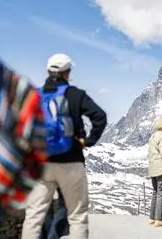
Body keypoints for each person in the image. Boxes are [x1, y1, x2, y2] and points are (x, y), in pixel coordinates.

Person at [21, 54, 107, 239]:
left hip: (41, 163)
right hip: (71, 161)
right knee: (77, 216)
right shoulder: (75, 94)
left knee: (34, 216)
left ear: (47, 72)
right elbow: (100, 116)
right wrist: (88, 141)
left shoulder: (35, 95)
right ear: (68, 73)